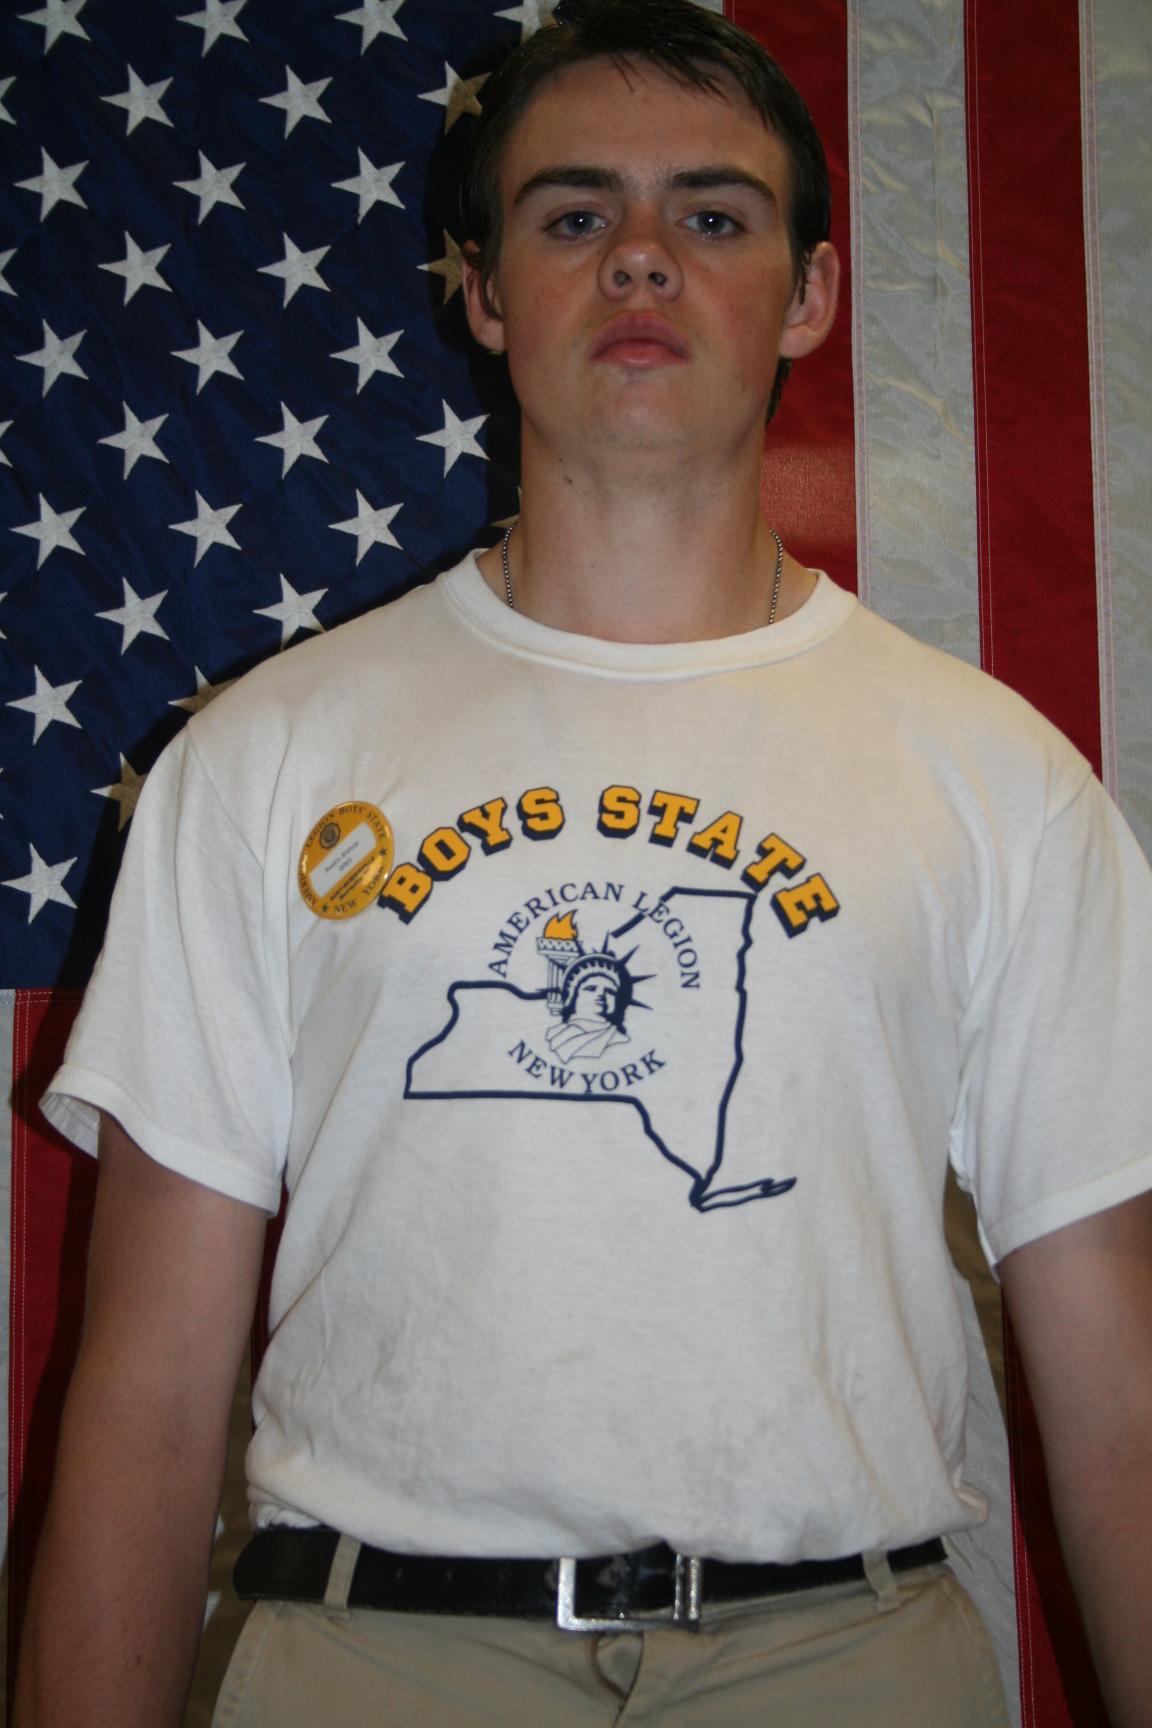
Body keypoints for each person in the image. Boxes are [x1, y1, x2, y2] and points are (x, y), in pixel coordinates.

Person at [16, 2, 1152, 1724]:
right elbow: (151, 1390)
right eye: (572, 214)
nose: (640, 258)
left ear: (813, 293)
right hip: (372, 1657)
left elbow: (1118, 1383)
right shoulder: (265, 757)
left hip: (845, 1659)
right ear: (483, 291)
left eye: (712, 214)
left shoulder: (997, 779)